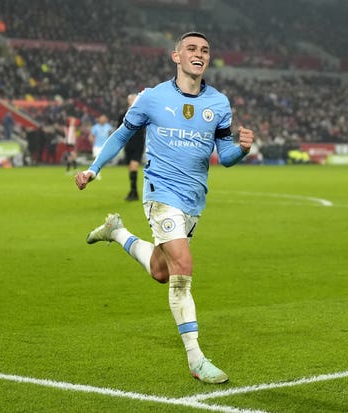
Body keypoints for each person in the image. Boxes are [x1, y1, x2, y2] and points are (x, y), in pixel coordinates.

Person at [74, 31, 254, 384]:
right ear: (176, 56)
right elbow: (122, 135)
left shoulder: (219, 103)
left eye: (204, 50)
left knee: (162, 270)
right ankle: (196, 357)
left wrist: (243, 149)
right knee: (183, 266)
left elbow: (226, 156)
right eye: (191, 49)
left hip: (193, 201)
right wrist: (93, 169)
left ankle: (116, 231)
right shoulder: (152, 98)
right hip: (160, 194)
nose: (198, 54)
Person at [121, 93, 146, 201]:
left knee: (134, 166)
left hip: (138, 143)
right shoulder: (123, 115)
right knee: (130, 168)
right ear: (128, 101)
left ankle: (134, 192)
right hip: (128, 144)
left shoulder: (142, 114)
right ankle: (133, 191)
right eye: (131, 99)